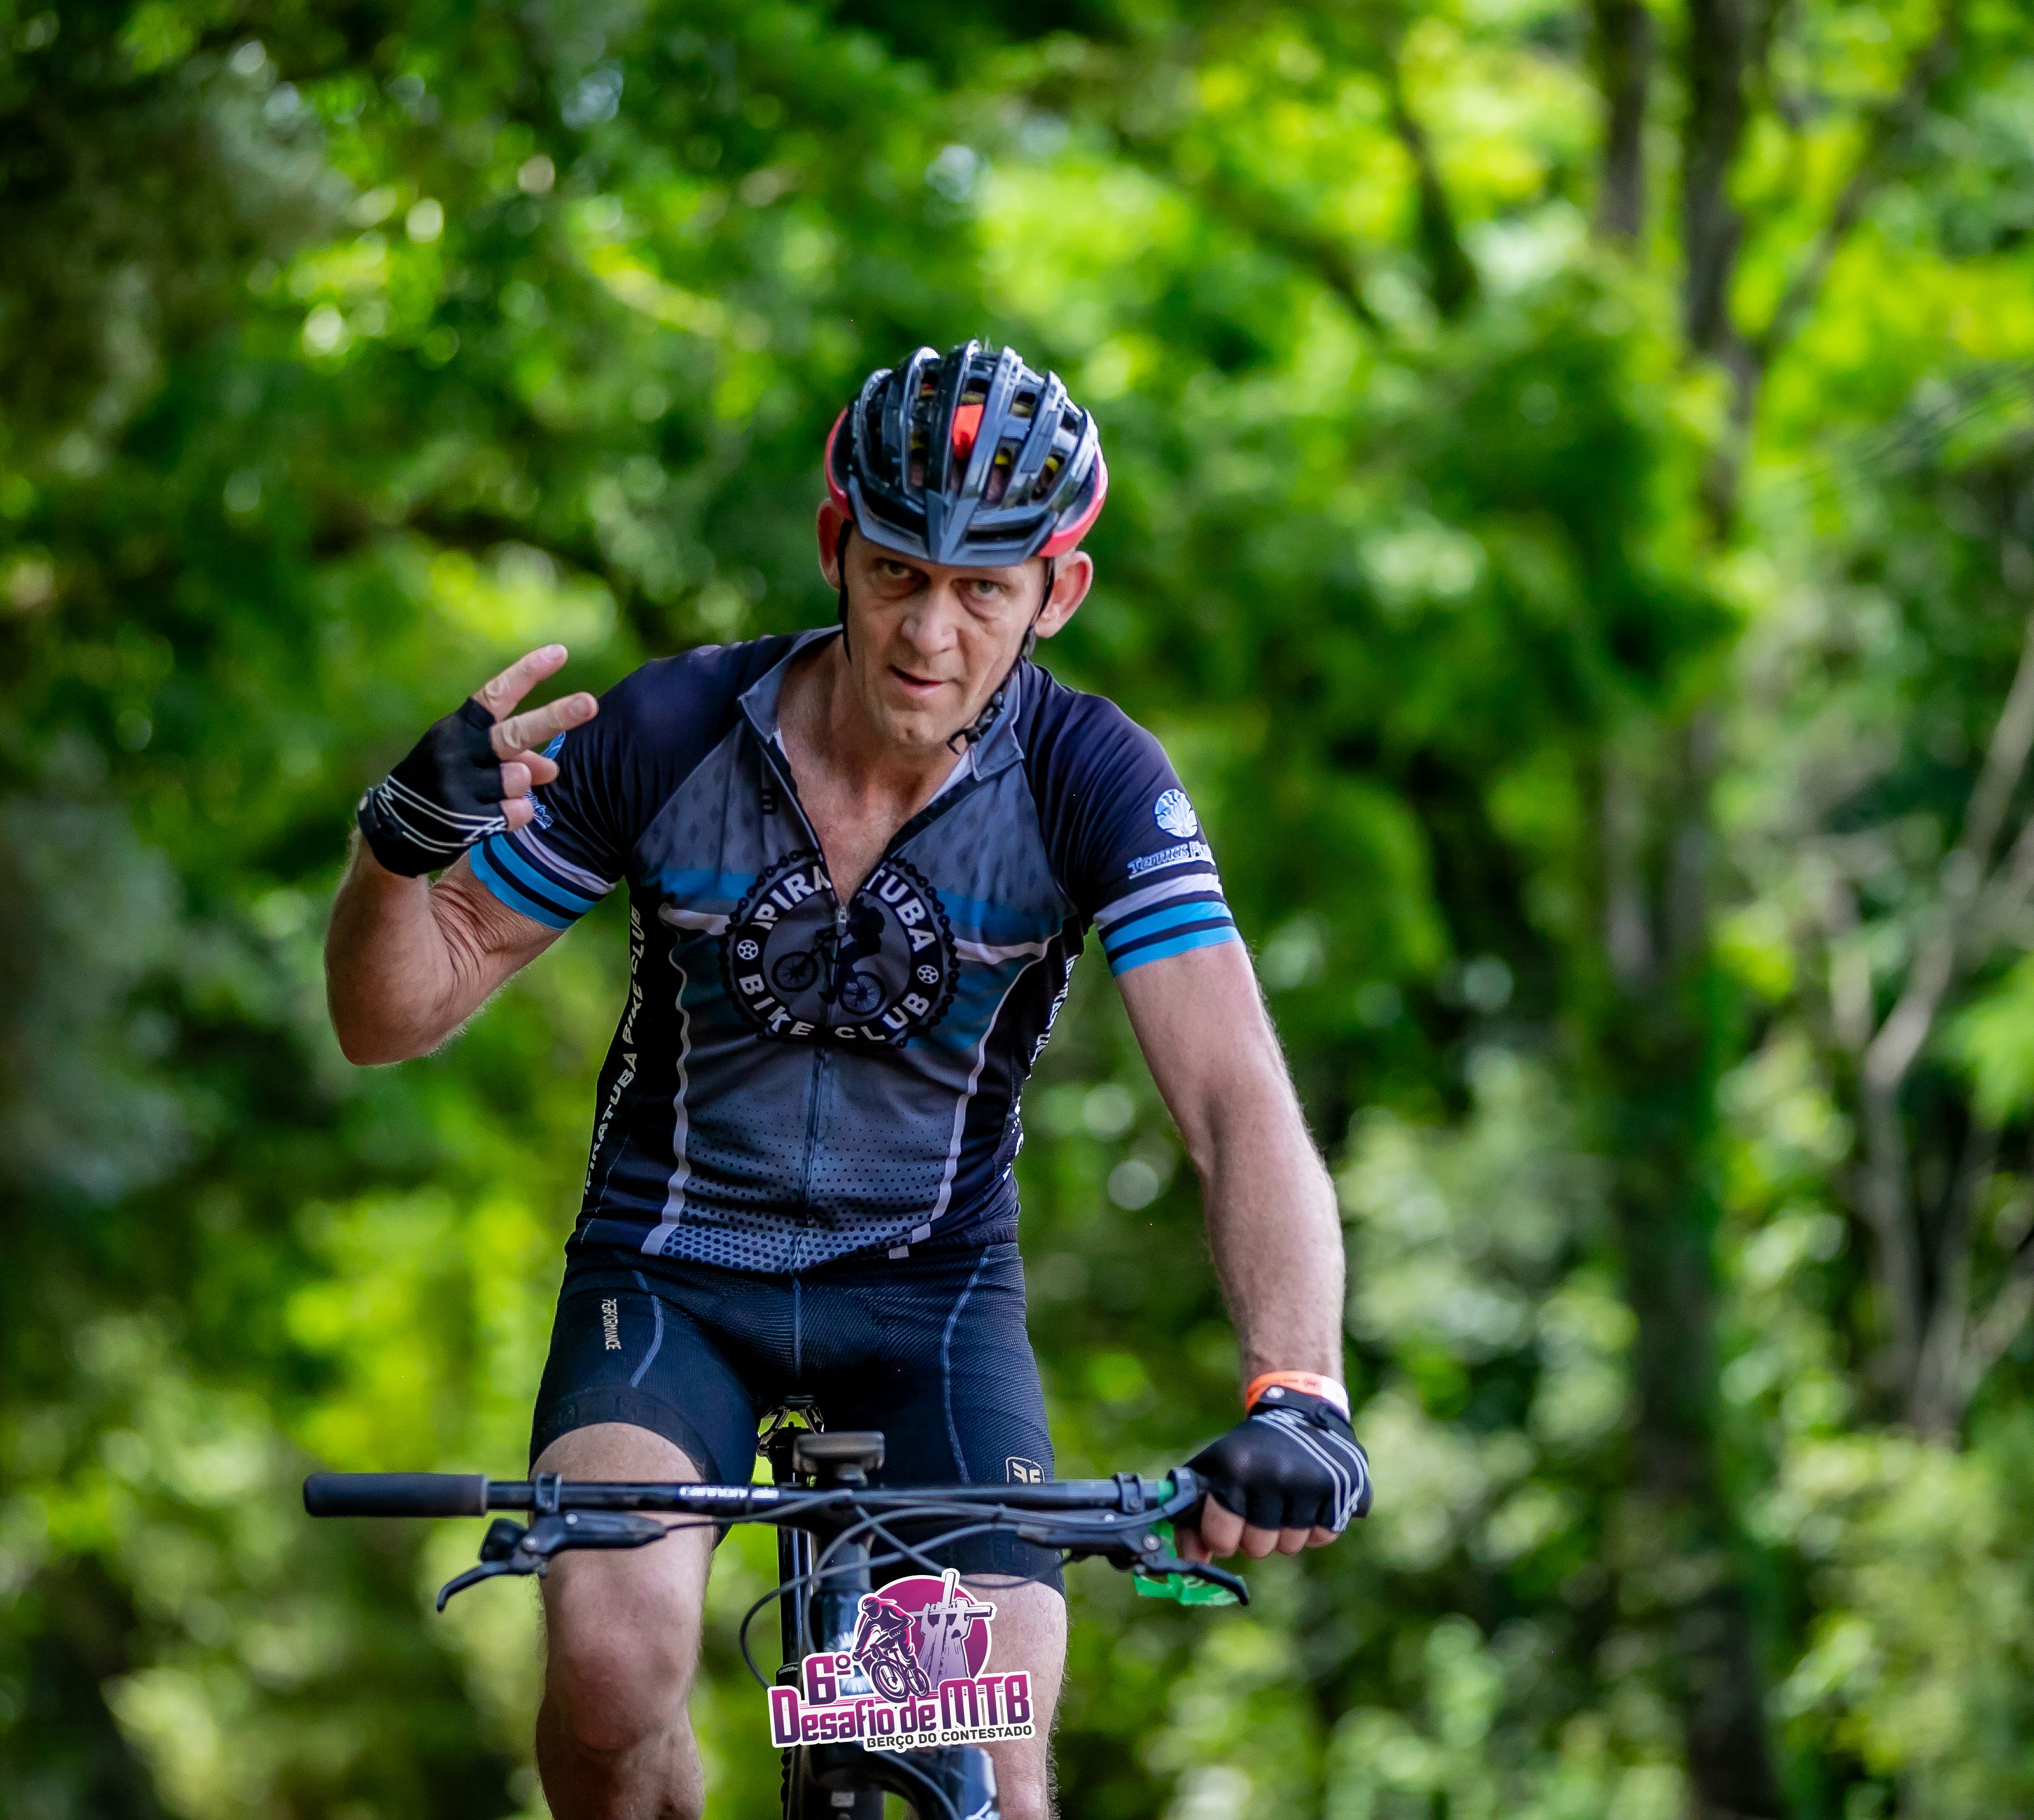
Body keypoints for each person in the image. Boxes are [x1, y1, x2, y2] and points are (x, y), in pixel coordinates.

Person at [325, 341, 1369, 1820]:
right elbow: (389, 1018)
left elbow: (1234, 1100)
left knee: (990, 1769)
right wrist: (397, 852)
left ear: (1058, 593)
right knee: (615, 1666)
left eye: (983, 590)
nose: (929, 633)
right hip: (672, 1278)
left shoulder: (1093, 779)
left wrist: (1300, 1390)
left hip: (928, 1303)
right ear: (836, 547)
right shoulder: (673, 732)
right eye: (897, 575)